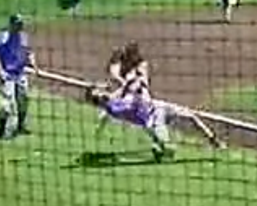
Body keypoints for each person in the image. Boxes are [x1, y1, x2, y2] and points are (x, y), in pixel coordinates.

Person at [85, 69, 224, 162]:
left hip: (159, 108)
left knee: (191, 117)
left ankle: (213, 140)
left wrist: (131, 82)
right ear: (100, 99)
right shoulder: (114, 107)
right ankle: (158, 149)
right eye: (99, 94)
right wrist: (137, 84)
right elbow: (135, 101)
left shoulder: (113, 99)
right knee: (170, 154)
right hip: (152, 123)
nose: (103, 91)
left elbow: (123, 91)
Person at [0, 14, 37, 139]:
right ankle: (1, 131)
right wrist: (0, 72)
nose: (20, 26)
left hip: (20, 72)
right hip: (6, 74)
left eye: (21, 24)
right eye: (17, 24)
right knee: (5, 105)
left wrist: (32, 63)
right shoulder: (2, 37)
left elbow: (29, 52)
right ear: (11, 24)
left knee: (24, 99)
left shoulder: (23, 37)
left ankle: (21, 126)